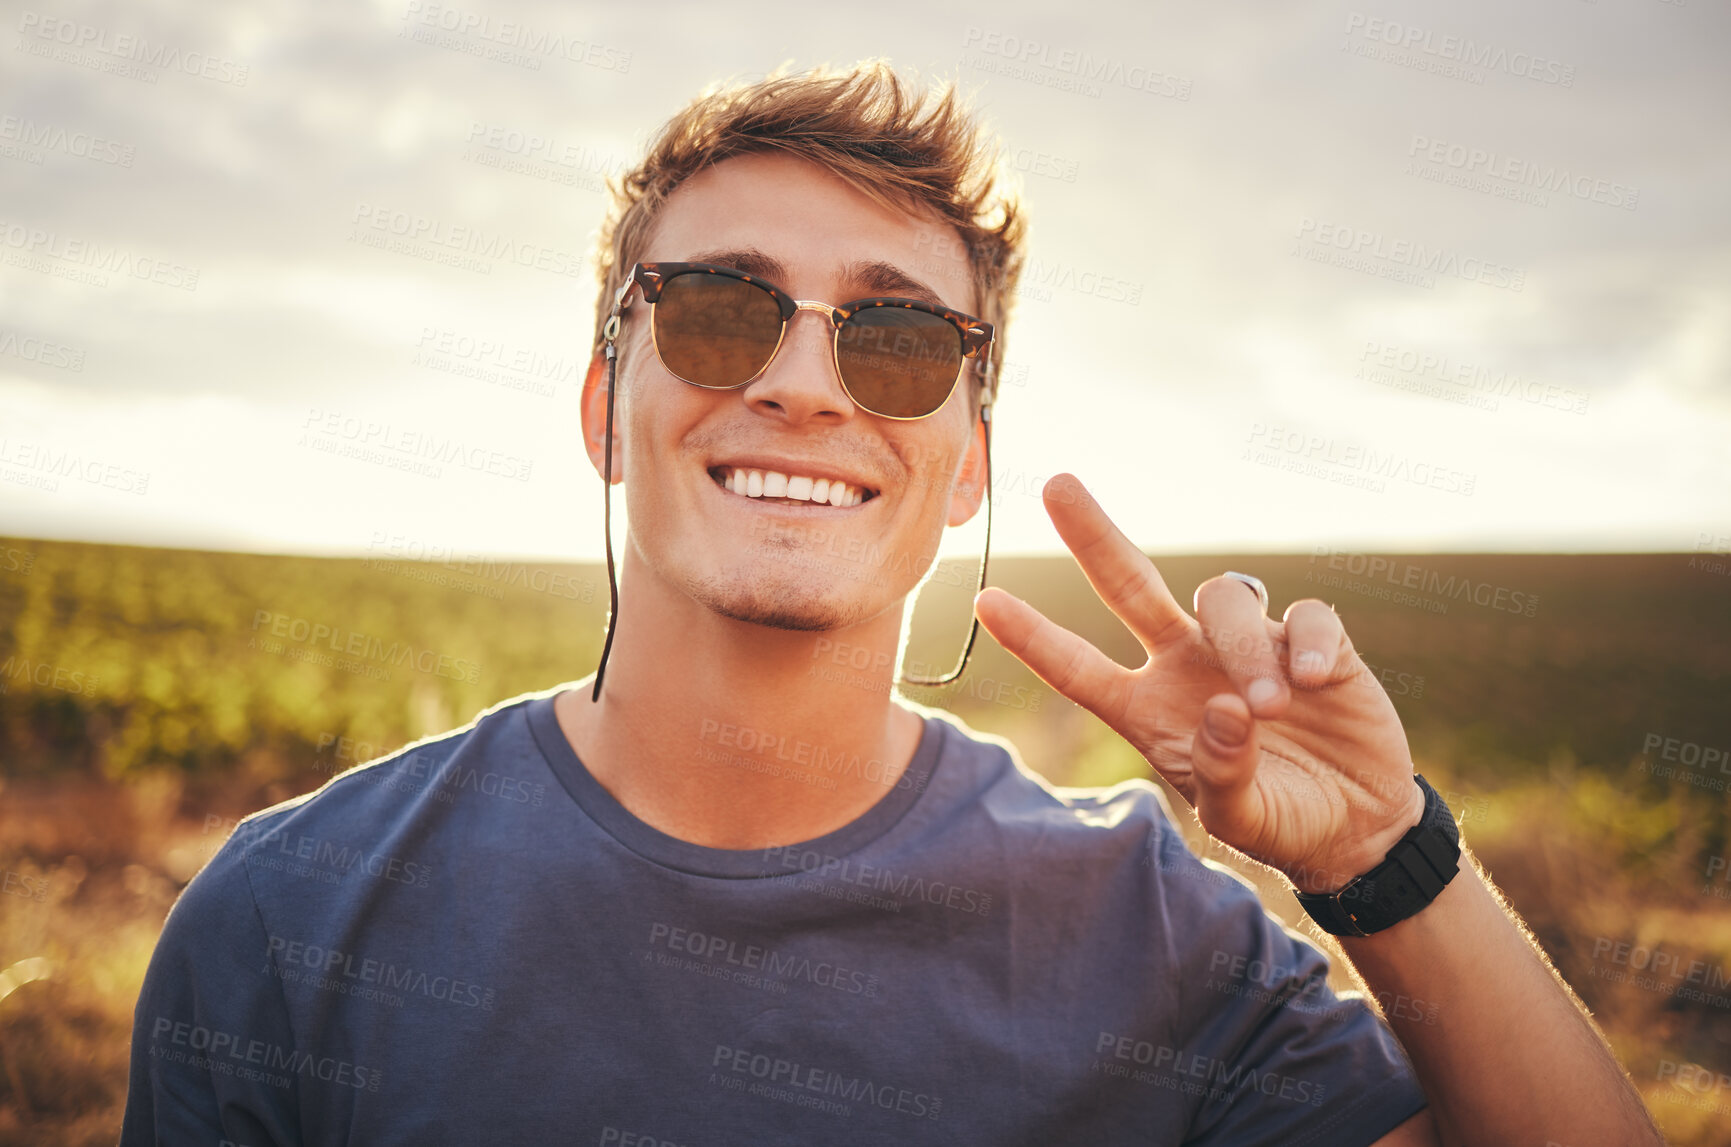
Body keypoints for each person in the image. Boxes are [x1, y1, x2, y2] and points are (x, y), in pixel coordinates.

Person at [122, 61, 1662, 1146]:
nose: (802, 383)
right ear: (606, 404)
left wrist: (1389, 861)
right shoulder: (294, 920)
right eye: (722, 310)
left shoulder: (1148, 943)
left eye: (900, 340)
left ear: (969, 458)